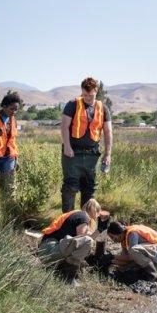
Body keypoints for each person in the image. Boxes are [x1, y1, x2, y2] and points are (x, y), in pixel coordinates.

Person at [60, 77, 113, 212]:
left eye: (91, 95)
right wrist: (67, 146)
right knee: (70, 188)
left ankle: (87, 221)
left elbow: (108, 132)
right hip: (72, 153)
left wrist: (108, 154)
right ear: (81, 92)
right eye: (85, 95)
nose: (88, 98)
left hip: (92, 154)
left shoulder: (103, 108)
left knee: (89, 188)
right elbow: (64, 126)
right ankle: (68, 220)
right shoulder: (72, 104)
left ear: (96, 91)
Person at [38, 199, 102, 280]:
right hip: (50, 249)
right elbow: (82, 239)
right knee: (87, 241)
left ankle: (60, 269)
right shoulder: (83, 216)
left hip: (46, 250)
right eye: (98, 213)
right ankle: (68, 276)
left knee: (86, 243)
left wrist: (99, 230)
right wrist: (100, 230)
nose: (97, 217)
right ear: (94, 210)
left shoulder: (77, 214)